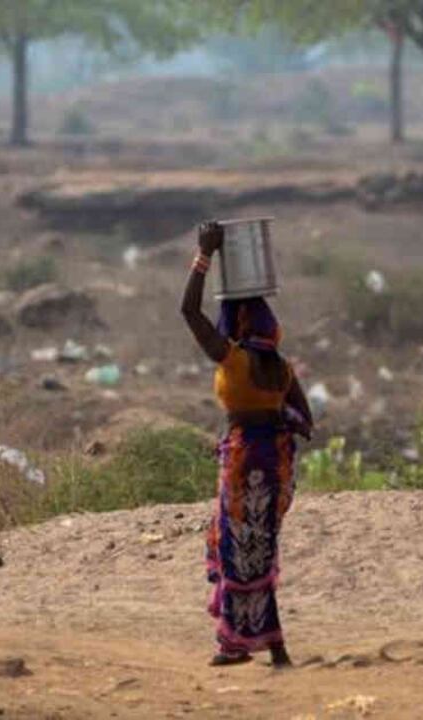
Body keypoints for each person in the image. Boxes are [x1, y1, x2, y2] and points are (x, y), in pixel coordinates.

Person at [181, 220, 313, 669]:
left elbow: (189, 312)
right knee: (260, 548)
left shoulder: (233, 359)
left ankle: (236, 644)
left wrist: (204, 255)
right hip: (276, 462)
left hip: (244, 460)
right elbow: (306, 421)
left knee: (240, 550)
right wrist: (276, 421)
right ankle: (274, 646)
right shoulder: (281, 366)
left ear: (236, 320)